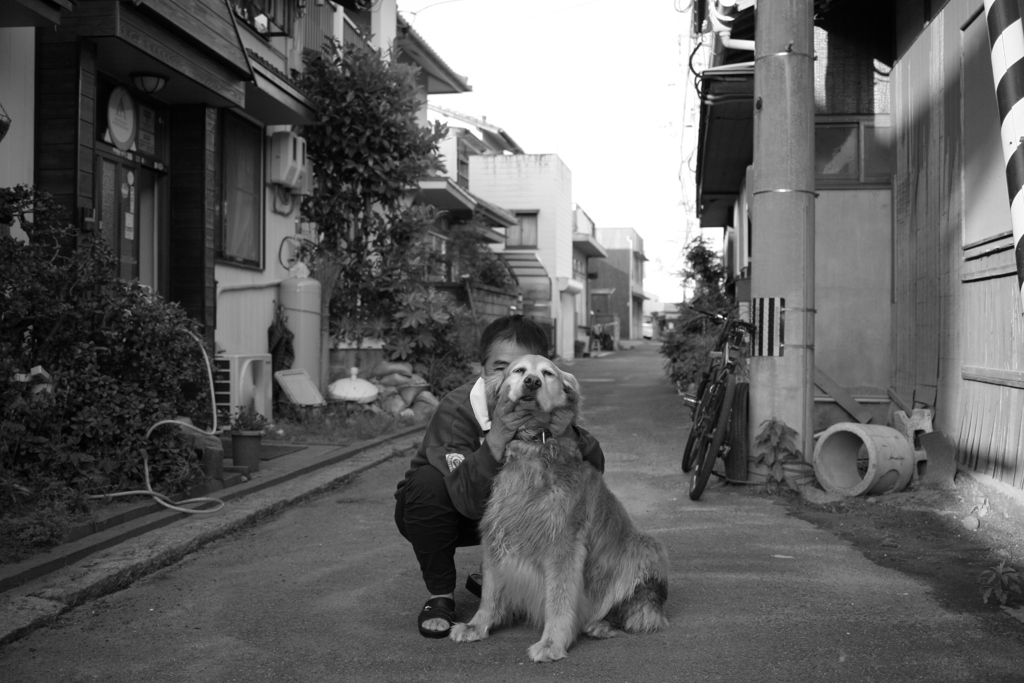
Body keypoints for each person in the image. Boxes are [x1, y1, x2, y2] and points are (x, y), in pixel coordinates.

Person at [394, 314, 606, 638]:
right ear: (484, 371)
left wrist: (571, 435)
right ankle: (440, 596)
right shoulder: (459, 409)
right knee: (425, 485)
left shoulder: (548, 410)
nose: (526, 381)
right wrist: (498, 436)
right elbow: (464, 498)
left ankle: (504, 577)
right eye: (504, 368)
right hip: (452, 512)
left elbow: (593, 471)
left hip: (508, 515)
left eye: (533, 370)